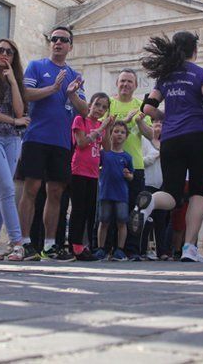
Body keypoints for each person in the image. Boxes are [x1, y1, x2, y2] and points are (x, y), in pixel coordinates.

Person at [137, 31, 203, 263]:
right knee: (196, 192)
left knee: (172, 193)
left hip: (171, 140)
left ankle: (150, 202)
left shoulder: (165, 77)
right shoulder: (202, 74)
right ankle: (189, 248)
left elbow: (147, 109)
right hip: (197, 136)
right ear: (195, 50)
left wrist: (167, 115)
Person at [17, 26, 88, 261]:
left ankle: (49, 246)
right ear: (50, 43)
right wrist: (53, 88)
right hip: (36, 138)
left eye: (63, 40)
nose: (58, 43)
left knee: (55, 192)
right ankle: (25, 243)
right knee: (31, 188)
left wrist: (70, 94)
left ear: (70, 46)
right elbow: (26, 94)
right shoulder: (37, 67)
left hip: (61, 142)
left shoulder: (75, 76)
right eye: (54, 39)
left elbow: (85, 111)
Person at [0, 39, 29, 261]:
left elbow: (21, 112)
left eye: (9, 52)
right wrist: (13, 121)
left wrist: (13, 83)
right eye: (0, 50)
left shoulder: (15, 79)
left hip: (12, 139)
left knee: (1, 192)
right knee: (8, 189)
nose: (4, 54)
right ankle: (17, 243)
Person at [108, 68, 153, 260]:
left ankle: (132, 249)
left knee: (136, 210)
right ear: (117, 84)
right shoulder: (109, 103)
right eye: (122, 81)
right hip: (110, 164)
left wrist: (140, 121)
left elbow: (151, 134)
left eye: (129, 82)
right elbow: (103, 129)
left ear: (135, 86)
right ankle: (108, 247)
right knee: (109, 209)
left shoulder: (140, 105)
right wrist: (125, 121)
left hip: (135, 165)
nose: (125, 84)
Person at [68, 93, 111, 261]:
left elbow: (106, 148)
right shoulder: (80, 120)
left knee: (90, 210)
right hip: (78, 170)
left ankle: (84, 245)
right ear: (90, 104)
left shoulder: (101, 125)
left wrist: (106, 129)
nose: (100, 109)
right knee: (78, 209)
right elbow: (81, 143)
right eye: (97, 105)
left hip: (93, 173)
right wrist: (99, 130)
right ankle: (75, 245)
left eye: (104, 107)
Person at [93, 121, 134, 262]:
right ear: (110, 134)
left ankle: (120, 250)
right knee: (103, 221)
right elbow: (95, 167)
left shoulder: (127, 157)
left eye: (122, 132)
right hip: (105, 192)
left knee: (122, 221)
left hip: (121, 194)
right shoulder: (103, 154)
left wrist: (128, 175)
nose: (119, 135)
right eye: (116, 131)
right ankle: (101, 249)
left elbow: (131, 175)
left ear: (126, 137)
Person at [142, 119, 171, 260]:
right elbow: (142, 161)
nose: (159, 125)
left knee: (161, 220)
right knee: (146, 219)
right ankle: (142, 250)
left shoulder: (167, 142)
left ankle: (162, 251)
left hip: (163, 186)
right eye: (156, 123)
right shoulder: (144, 141)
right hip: (148, 183)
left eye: (161, 123)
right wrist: (155, 155)